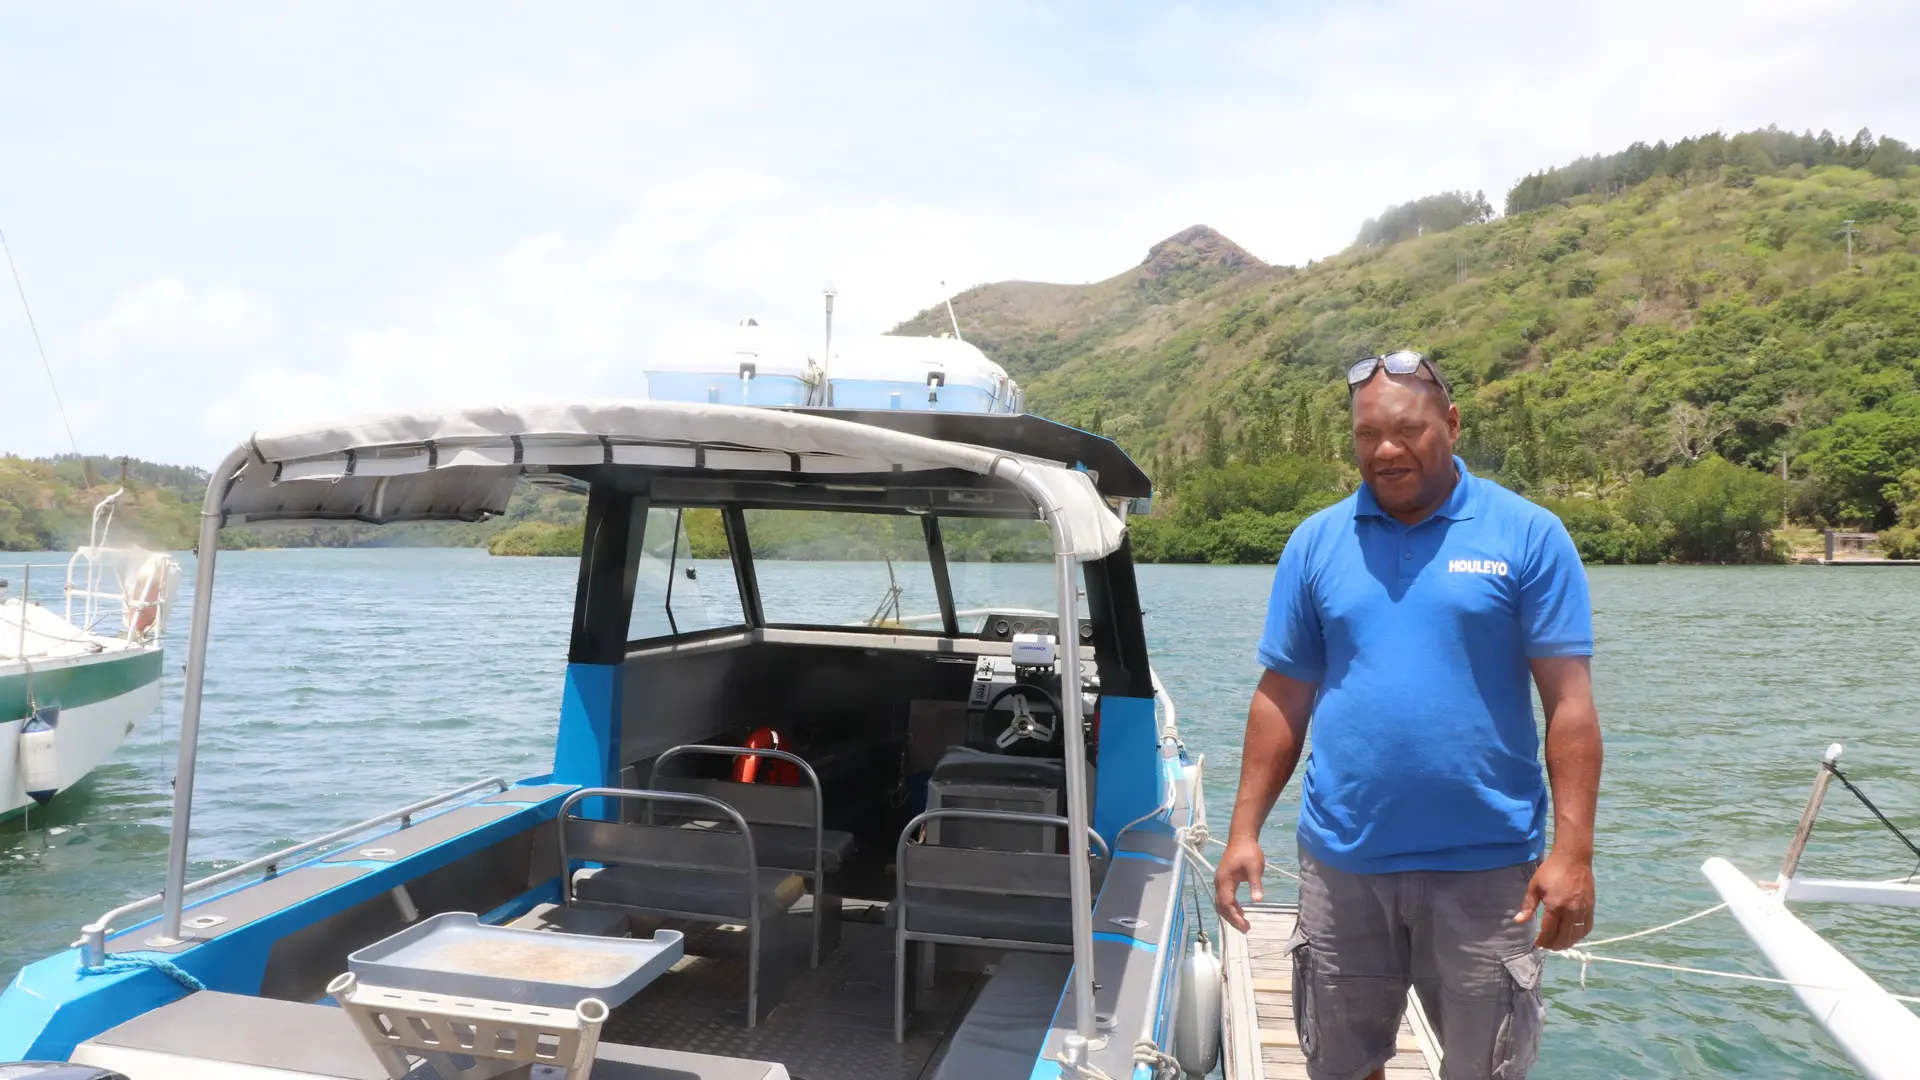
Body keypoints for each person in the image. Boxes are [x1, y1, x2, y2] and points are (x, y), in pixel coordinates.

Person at [1213, 350, 1601, 1080]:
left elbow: (1570, 707)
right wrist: (1242, 832)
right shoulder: (1317, 543)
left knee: (1482, 1069)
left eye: (1409, 430)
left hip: (1487, 868)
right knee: (1342, 1064)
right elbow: (1282, 697)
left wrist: (1573, 854)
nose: (1386, 451)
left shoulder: (1527, 534)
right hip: (1344, 863)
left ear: (1451, 424)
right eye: (1367, 435)